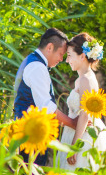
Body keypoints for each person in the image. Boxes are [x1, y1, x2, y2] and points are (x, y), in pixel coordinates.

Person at [13, 28, 79, 166]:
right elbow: (46, 108)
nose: (61, 59)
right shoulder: (37, 67)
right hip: (31, 136)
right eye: (61, 54)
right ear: (50, 47)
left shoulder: (31, 61)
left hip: (25, 132)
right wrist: (73, 123)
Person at [54, 33, 106, 171]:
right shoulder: (82, 78)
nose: (67, 60)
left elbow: (84, 114)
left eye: (69, 55)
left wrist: (75, 146)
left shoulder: (85, 80)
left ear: (82, 56)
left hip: (83, 135)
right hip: (76, 131)